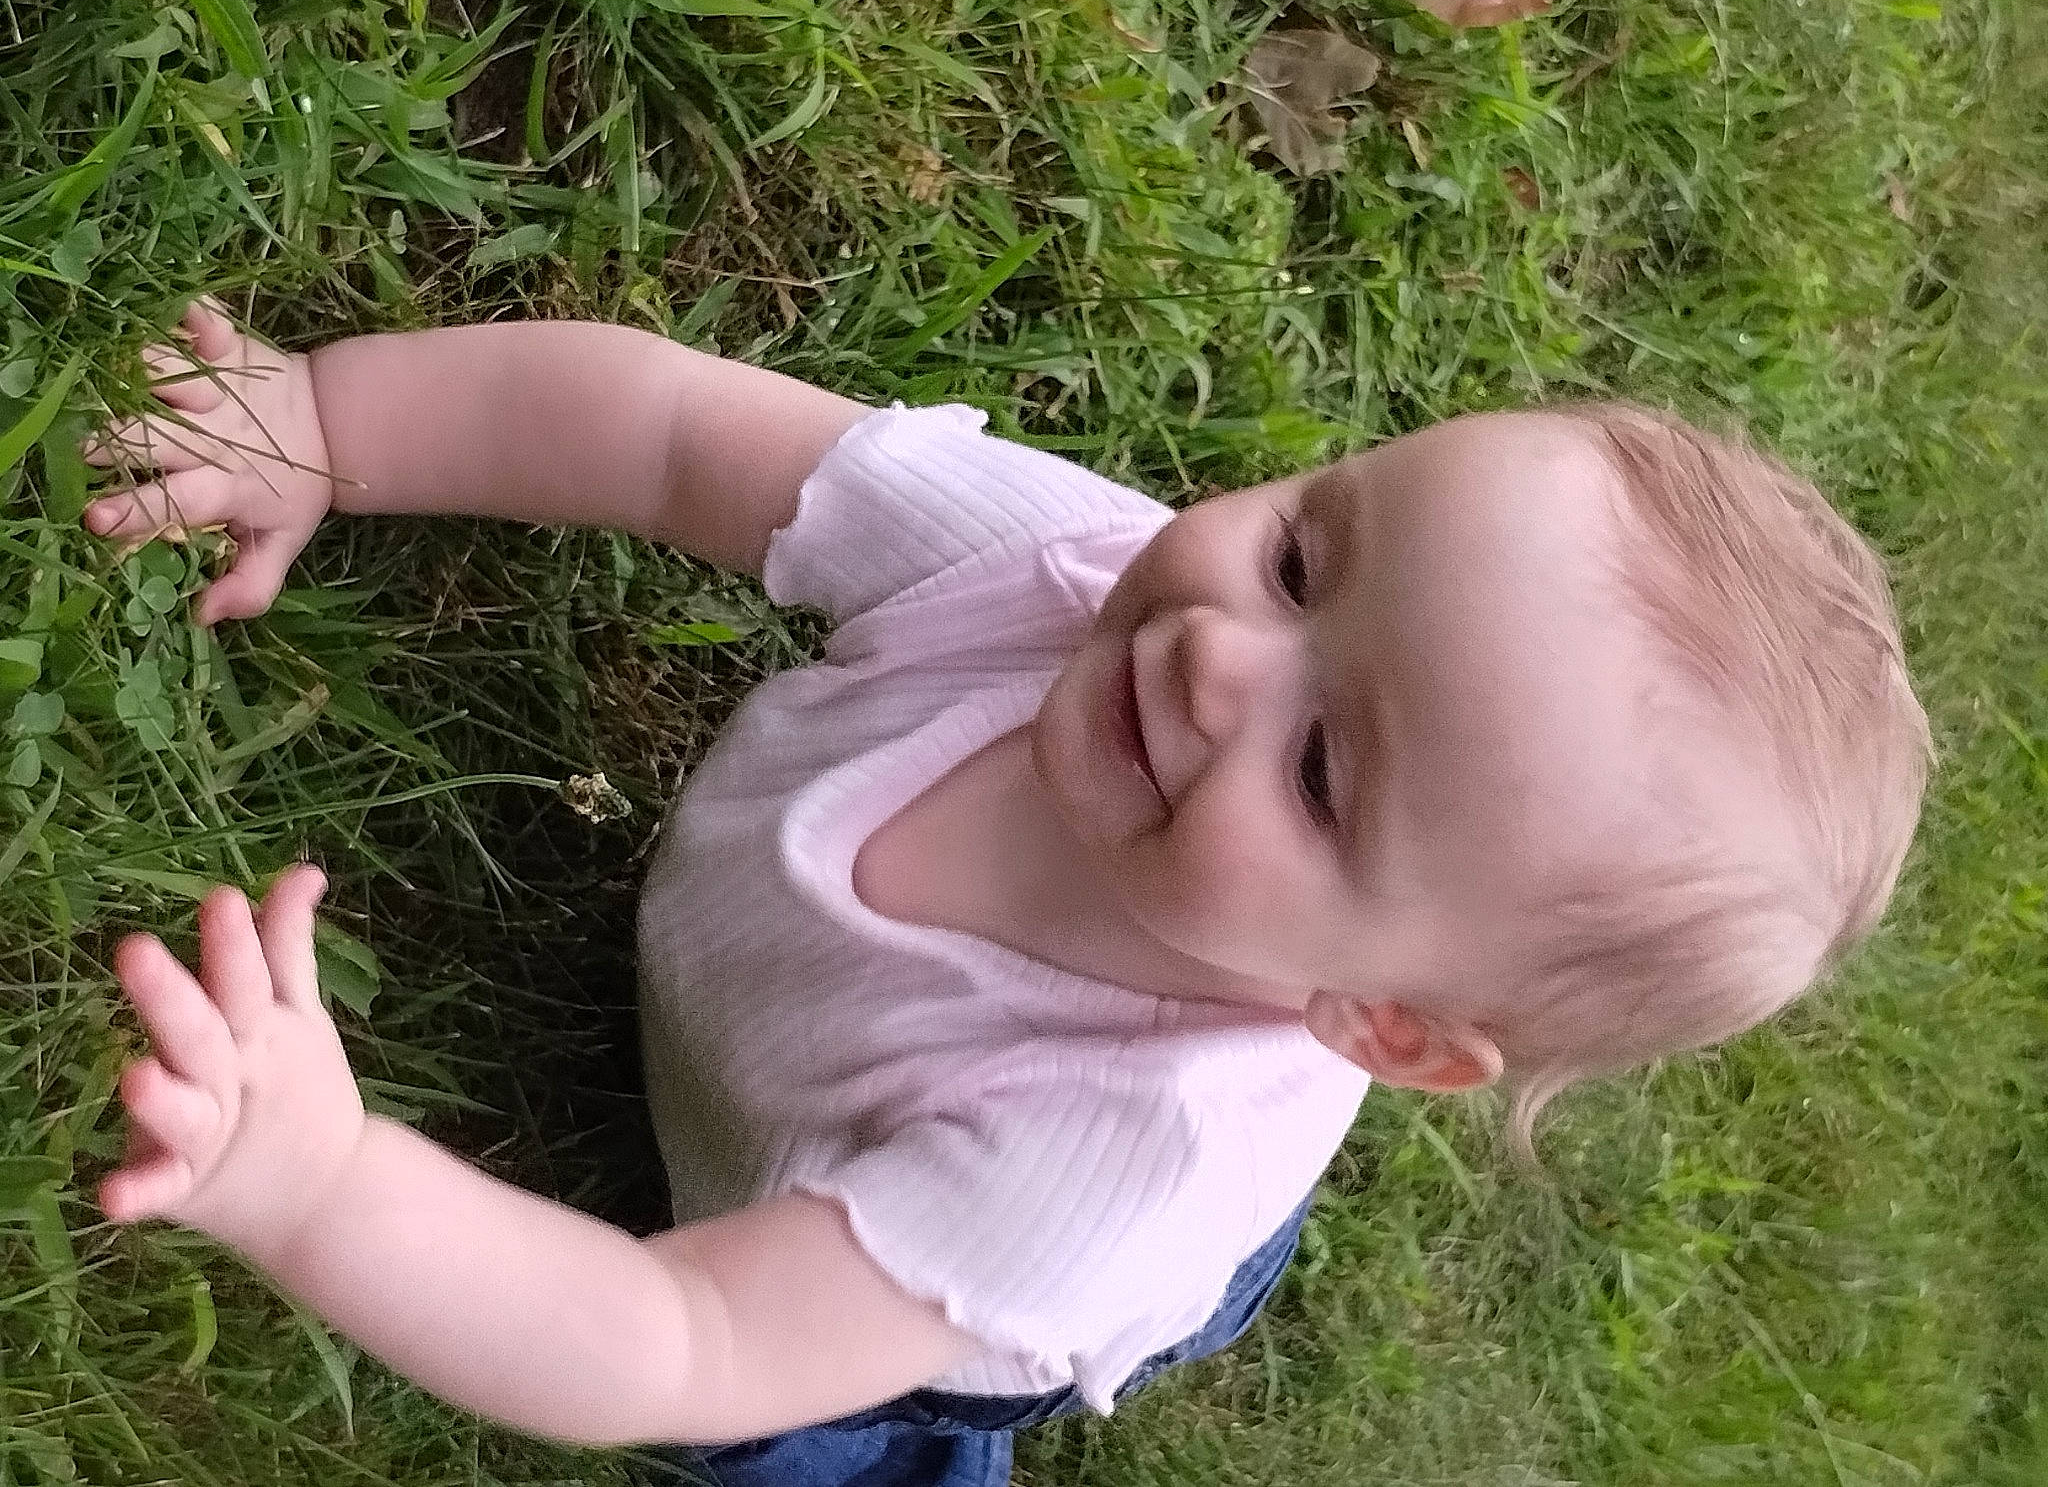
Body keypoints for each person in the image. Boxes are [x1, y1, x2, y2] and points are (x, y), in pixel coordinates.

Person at [82, 300, 1930, 1485]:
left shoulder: (1082, 1169)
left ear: (1382, 1025)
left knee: (791, 1436)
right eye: (1305, 552)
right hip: (855, 1035)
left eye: (1319, 769)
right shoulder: (1068, 567)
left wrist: (324, 1181)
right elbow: (668, 436)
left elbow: (684, 1336)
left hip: (978, 1291)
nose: (1218, 652)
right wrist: (325, 417)